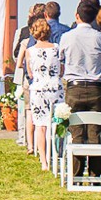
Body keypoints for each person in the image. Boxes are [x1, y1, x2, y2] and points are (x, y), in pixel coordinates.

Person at [59, 0, 101, 143]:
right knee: (96, 131)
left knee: (76, 131)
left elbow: (61, 57)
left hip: (74, 87)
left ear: (77, 15)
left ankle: (77, 164)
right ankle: (96, 165)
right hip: (96, 87)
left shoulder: (67, 37)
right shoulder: (99, 37)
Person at [22, 17, 63, 169]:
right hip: (55, 88)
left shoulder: (30, 51)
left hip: (38, 89)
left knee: (40, 125)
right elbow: (62, 70)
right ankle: (56, 155)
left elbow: (30, 73)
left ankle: (44, 161)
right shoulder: (57, 48)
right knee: (56, 123)